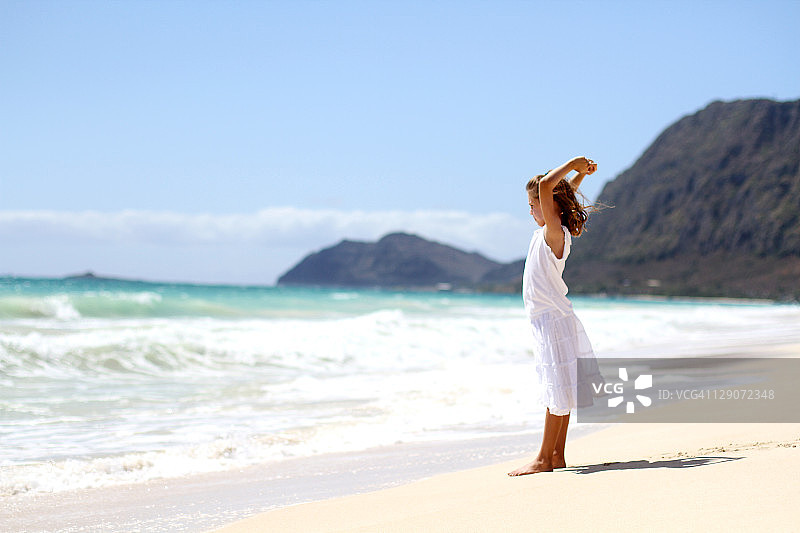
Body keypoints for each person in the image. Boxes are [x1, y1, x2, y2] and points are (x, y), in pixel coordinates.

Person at [508, 156, 603, 476]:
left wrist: (575, 164)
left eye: (533, 204)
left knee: (555, 388)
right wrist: (579, 179)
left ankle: (542, 458)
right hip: (550, 318)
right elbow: (561, 192)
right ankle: (556, 455)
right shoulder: (554, 229)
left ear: (548, 206)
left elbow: (550, 186)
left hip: (551, 318)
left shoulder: (554, 232)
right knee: (559, 387)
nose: (532, 210)